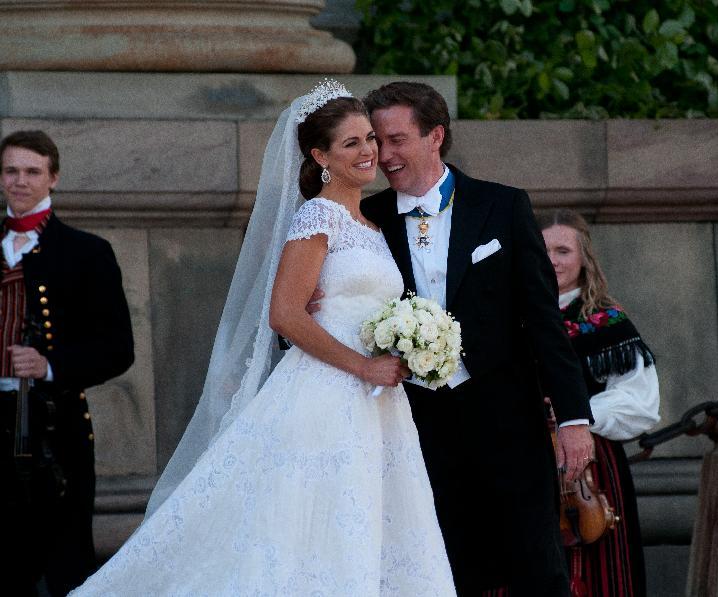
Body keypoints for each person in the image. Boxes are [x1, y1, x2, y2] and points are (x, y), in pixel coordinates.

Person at [69, 81, 456, 595]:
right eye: (351, 144)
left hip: (377, 402)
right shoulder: (318, 215)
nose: (369, 152)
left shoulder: (372, 222)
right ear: (320, 156)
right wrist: (364, 366)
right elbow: (285, 316)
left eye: (371, 139)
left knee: (364, 518)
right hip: (327, 390)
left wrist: (409, 344)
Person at [357, 82, 595, 596]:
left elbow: (543, 322)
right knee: (442, 570)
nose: (385, 155)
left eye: (396, 139)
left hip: (508, 421)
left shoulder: (502, 207)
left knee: (538, 568)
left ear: (435, 135)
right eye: (377, 141)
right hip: (414, 427)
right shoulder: (366, 221)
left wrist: (574, 418)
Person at [0, 130, 134, 596]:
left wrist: (49, 365)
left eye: (32, 171)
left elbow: (119, 348)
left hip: (53, 430)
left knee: (62, 561)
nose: (20, 181)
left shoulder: (86, 253)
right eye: (11, 170)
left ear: (52, 178)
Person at [537, 209, 659, 596]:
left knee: (596, 570)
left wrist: (577, 416)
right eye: (544, 250)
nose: (553, 260)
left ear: (583, 259)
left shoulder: (606, 321)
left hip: (588, 466)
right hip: (525, 458)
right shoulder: (513, 315)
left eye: (563, 250)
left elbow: (640, 401)